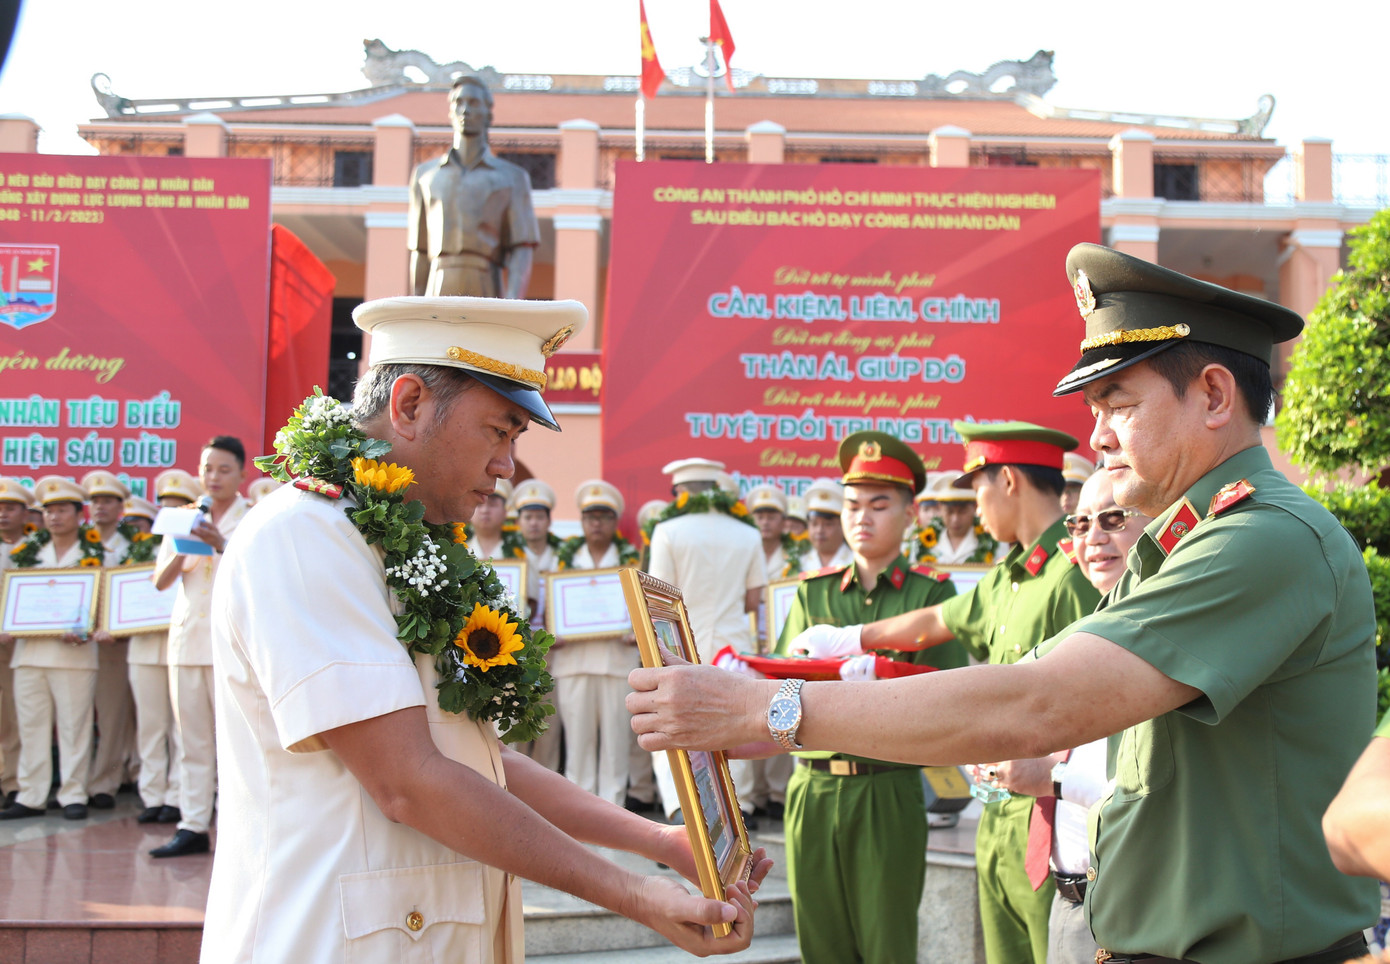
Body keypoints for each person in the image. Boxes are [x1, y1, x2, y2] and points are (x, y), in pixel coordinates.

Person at [630, 242, 1381, 963]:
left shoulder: (1263, 540)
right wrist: (765, 713)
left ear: (1213, 395)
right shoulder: (1182, 544)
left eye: (1116, 402)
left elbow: (1036, 707)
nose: (1099, 435)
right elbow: (1014, 688)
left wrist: (769, 710)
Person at [202, 295, 762, 963]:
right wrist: (636, 896)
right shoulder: (304, 535)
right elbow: (409, 778)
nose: (506, 468)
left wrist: (659, 841)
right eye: (498, 432)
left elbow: (484, 763)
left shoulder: (413, 546)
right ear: (409, 404)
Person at [799, 420, 1099, 964]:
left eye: (977, 488)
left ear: (1007, 481)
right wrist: (854, 638)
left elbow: (1097, 702)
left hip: (1051, 817)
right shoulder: (1009, 574)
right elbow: (940, 619)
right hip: (999, 810)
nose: (974, 506)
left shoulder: (1073, 574)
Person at [770, 432, 964, 964]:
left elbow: (946, 702)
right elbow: (782, 688)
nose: (862, 518)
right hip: (811, 789)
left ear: (911, 513)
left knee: (887, 947)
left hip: (887, 790)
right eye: (852, 505)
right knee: (821, 947)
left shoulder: (932, 595)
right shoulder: (813, 593)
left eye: (880, 505)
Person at [989, 469, 1153, 964]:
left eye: (1113, 519)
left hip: (1134, 905)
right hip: (1069, 898)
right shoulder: (1089, 631)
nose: (1094, 537)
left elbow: (1161, 793)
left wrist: (1051, 778)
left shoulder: (1161, 635)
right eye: (1080, 524)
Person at [647, 457, 764, 827]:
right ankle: (736, 809)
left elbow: (658, 596)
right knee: (738, 721)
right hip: (733, 645)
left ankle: (681, 812)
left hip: (682, 642)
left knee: (669, 721)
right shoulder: (748, 534)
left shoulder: (667, 530)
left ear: (680, 493)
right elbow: (752, 600)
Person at [150, 437, 250, 857]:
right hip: (188, 640)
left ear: (243, 474)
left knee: (234, 742)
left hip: (232, 643)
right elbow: (160, 581)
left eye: (224, 469)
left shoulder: (254, 517)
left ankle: (237, 825)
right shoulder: (183, 517)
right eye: (208, 468)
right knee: (191, 740)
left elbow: (257, 573)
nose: (214, 477)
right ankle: (192, 825)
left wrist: (222, 544)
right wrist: (183, 546)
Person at [0, 477, 107, 821]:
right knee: (31, 726)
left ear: (79, 514)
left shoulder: (96, 553)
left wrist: (90, 627)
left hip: (75, 655)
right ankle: (31, 795)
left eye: (63, 510)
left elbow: (104, 603)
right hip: (29, 655)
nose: (55, 517)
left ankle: (73, 794)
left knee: (75, 727)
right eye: (49, 511)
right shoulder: (27, 553)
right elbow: (10, 600)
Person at [408, 75, 540, 299]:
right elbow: (420, 251)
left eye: (473, 102)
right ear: (450, 111)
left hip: (486, 282)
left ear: (488, 114)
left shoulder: (512, 177)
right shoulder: (425, 176)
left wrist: (511, 305)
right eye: (458, 102)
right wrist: (417, 309)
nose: (465, 110)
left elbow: (522, 248)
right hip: (438, 283)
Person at [550, 480, 638, 806]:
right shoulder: (563, 564)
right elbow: (548, 612)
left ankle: (614, 810)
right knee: (578, 747)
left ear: (615, 522)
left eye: (603, 516)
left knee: (616, 747)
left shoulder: (631, 563)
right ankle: (581, 811)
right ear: (582, 521)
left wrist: (637, 633)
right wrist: (552, 632)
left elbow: (642, 614)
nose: (596, 523)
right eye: (590, 516)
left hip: (617, 663)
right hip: (573, 663)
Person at [126, 469, 202, 825]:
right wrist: (181, 547)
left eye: (180, 503)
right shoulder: (175, 530)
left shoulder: (224, 522)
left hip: (199, 641)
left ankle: (177, 798)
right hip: (164, 641)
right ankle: (153, 795)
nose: (173, 509)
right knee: (153, 726)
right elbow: (160, 581)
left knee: (186, 733)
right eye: (167, 506)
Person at [81, 470, 138, 809]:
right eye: (95, 501)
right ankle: (75, 782)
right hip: (74, 644)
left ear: (121, 507)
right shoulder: (78, 542)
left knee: (112, 716)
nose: (100, 507)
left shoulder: (133, 546)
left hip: (114, 645)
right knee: (75, 718)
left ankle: (104, 783)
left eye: (107, 501)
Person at [510, 478, 563, 772]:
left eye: (539, 517)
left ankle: (550, 789)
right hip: (518, 651)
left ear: (548, 520)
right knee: (515, 719)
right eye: (527, 517)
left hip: (557, 651)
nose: (533, 523)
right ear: (518, 521)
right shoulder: (510, 557)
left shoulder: (565, 557)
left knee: (548, 725)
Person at [0, 477, 36, 806]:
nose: (3, 514)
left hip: (15, 646)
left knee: (12, 718)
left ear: (25, 513)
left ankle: (12, 783)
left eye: (10, 508)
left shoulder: (34, 550)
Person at [915, 472, 1000, 566]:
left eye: (962, 512)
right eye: (949, 512)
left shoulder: (993, 542)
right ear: (940, 508)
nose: (955, 519)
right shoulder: (920, 543)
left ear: (974, 508)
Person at [802, 478, 853, 571]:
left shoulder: (856, 564)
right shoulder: (798, 563)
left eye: (828, 524)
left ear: (843, 526)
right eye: (814, 524)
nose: (819, 530)